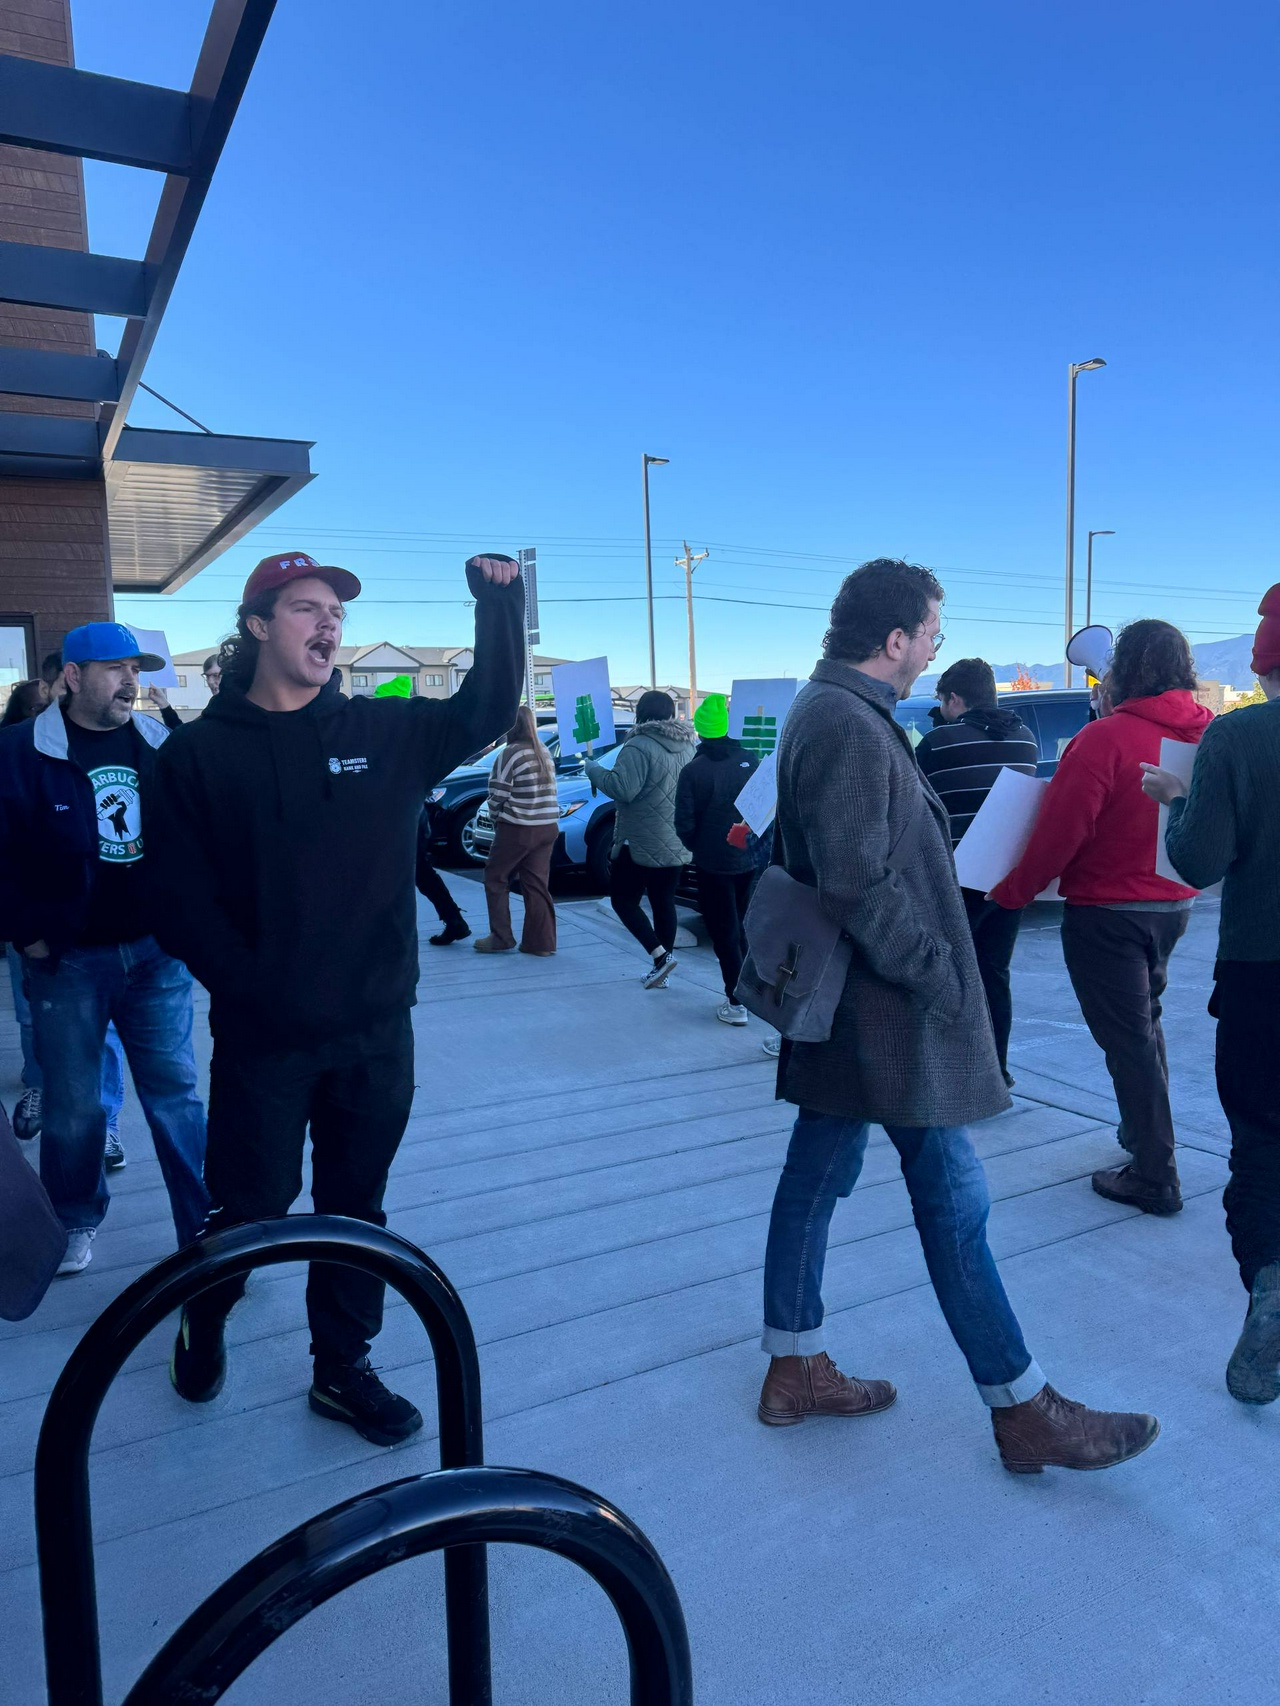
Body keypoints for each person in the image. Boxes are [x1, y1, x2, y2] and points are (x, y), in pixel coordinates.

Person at [758, 557, 1157, 1473]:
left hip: (858, 1010)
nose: (937, 646)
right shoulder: (849, 725)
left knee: (816, 1179)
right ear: (894, 640)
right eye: (932, 631)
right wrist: (940, 971)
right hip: (885, 1011)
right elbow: (860, 879)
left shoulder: (834, 712)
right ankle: (1023, 1406)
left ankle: (793, 1363)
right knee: (956, 1199)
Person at [149, 549, 524, 1445]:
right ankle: (205, 1311)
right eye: (307, 609)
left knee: (356, 1208)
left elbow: (486, 705)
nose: (328, 626)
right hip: (265, 1039)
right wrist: (250, 984)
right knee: (251, 1208)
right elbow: (174, 898)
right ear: (256, 626)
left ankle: (341, 1371)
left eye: (337, 614)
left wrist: (499, 606)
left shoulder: (383, 733)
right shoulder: (198, 754)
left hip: (375, 1032)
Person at [0, 623, 209, 1276]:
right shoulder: (17, 752)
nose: (131, 682)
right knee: (74, 1110)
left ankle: (205, 1230)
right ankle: (75, 1219)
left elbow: (195, 836)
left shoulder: (160, 744)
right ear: (72, 677)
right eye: (114, 668)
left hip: (156, 959)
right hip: (67, 965)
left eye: (136, 669)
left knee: (175, 1095)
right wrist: (27, 933)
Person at [992, 620, 1212, 1216]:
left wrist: (1012, 892)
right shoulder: (1207, 731)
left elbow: (1058, 836)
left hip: (1108, 912)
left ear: (1125, 669)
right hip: (1174, 903)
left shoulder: (1104, 739)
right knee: (1145, 1028)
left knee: (1129, 1042)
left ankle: (1154, 1171)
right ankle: (1146, 1141)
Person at [1142, 583, 1280, 1403]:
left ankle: (1271, 1282)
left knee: (1262, 1145)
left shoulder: (1236, 738)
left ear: (1264, 662)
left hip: (1262, 976)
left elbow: (1196, 865)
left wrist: (1178, 801)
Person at [1, 680, 127, 1161]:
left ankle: (108, 1120)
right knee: (32, 1017)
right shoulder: (14, 749)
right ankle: (39, 1083)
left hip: (100, 933)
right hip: (36, 924)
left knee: (103, 1036)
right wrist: (24, 931)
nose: (46, 711)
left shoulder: (118, 742)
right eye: (35, 706)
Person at [916, 658, 1037, 1086]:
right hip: (1007, 878)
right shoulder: (1025, 739)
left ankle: (951, 1069)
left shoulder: (939, 741)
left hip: (955, 878)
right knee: (994, 972)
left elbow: (915, 802)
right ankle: (995, 1071)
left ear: (953, 699)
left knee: (947, 973)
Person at [585, 690, 696, 989]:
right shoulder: (688, 746)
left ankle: (660, 957)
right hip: (677, 838)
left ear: (641, 714)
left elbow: (623, 789)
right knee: (664, 902)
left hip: (639, 841)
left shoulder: (638, 745)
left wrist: (594, 770)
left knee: (623, 900)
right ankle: (664, 968)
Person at [674, 692, 758, 1024]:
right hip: (749, 856)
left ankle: (737, 1002)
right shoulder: (750, 759)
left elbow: (683, 822)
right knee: (743, 926)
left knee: (723, 930)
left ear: (701, 732)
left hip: (712, 861)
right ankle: (753, 994)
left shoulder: (695, 770)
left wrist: (700, 845)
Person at [373, 675, 473, 947]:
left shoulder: (390, 738)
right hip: (415, 815)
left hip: (399, 817)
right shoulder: (411, 735)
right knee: (419, 871)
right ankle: (453, 920)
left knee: (401, 873)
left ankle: (403, 931)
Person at [476, 704, 560, 956]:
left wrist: (494, 814)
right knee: (535, 884)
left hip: (518, 828)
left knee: (495, 878)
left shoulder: (509, 753)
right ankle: (541, 944)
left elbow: (498, 794)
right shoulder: (542, 751)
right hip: (547, 827)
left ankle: (501, 937)